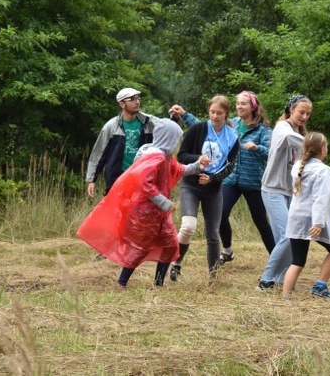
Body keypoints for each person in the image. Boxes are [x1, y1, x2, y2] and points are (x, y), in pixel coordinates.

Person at [76, 120, 210, 288]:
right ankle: (122, 282)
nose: (177, 142)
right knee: (141, 248)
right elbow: (143, 183)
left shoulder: (167, 157)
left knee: (170, 245)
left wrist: (198, 165)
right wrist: (163, 202)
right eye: (176, 138)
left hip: (160, 213)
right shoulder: (156, 158)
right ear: (168, 137)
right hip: (145, 213)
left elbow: (179, 170)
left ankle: (158, 283)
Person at [168, 91, 275, 264]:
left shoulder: (263, 130)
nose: (240, 106)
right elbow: (207, 127)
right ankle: (227, 251)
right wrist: (184, 115)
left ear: (253, 107)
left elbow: (271, 153)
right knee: (222, 214)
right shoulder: (233, 125)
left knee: (261, 222)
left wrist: (258, 148)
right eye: (238, 103)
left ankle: (277, 260)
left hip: (252, 181)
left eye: (244, 103)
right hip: (230, 180)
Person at [168, 95, 240, 282]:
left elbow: (230, 166)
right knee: (188, 227)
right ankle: (176, 263)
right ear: (209, 111)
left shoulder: (232, 137)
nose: (215, 116)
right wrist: (198, 159)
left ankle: (213, 277)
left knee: (213, 234)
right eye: (212, 112)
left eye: (220, 113)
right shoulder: (197, 129)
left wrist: (213, 178)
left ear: (226, 114)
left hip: (213, 188)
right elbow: (181, 155)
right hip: (191, 185)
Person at [257, 94, 312, 290]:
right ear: (291, 110)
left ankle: (282, 279)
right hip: (272, 190)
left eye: (307, 113)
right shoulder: (283, 128)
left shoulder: (302, 135)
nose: (304, 116)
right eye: (301, 112)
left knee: (291, 237)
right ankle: (266, 279)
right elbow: (290, 139)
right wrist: (313, 145)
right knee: (289, 236)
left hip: (291, 193)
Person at [282, 132, 330, 300]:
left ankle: (286, 296)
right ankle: (320, 286)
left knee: (298, 261)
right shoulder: (322, 171)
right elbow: (319, 198)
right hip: (312, 219)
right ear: (323, 150)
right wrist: (318, 223)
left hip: (296, 217)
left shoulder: (298, 166)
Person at [85, 88, 159, 198]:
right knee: (116, 212)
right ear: (122, 104)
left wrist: (175, 118)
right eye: (133, 99)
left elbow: (168, 129)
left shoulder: (149, 122)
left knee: (140, 212)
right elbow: (98, 153)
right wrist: (91, 179)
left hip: (142, 176)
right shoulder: (110, 127)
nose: (137, 102)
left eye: (138, 98)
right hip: (117, 177)